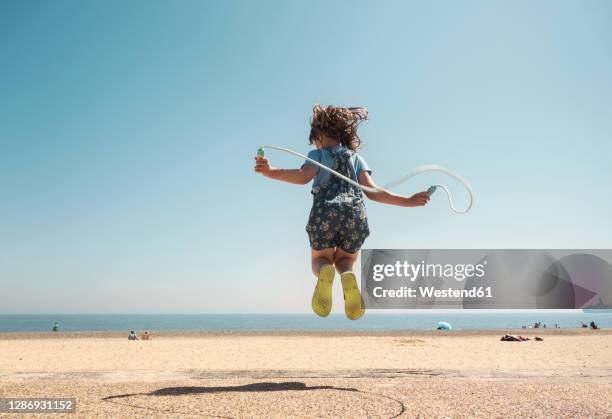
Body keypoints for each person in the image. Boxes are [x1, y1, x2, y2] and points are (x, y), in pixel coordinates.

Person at [254, 104, 430, 320]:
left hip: (324, 213)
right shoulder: (355, 158)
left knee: (320, 260)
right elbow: (372, 192)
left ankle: (324, 272)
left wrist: (271, 172)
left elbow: (302, 177)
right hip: (354, 215)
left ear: (317, 136)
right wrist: (408, 200)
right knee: (346, 259)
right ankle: (347, 274)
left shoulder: (317, 154)